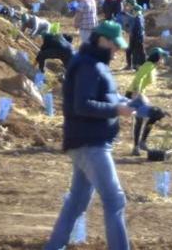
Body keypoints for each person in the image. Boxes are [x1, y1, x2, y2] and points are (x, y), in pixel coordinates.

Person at [45, 21, 133, 250]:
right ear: (102, 40)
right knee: (114, 200)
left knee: (76, 203)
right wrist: (117, 110)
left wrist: (128, 103)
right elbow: (82, 105)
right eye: (115, 46)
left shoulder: (94, 64)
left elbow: (105, 97)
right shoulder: (88, 66)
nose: (116, 51)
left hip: (86, 141)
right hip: (90, 143)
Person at [127, 47, 169, 155]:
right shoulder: (148, 65)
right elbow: (139, 78)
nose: (164, 60)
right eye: (163, 57)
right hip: (134, 94)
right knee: (146, 117)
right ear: (159, 58)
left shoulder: (152, 66)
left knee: (152, 116)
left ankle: (141, 143)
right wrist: (138, 93)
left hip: (140, 94)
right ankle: (138, 145)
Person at [125, 5, 146, 71]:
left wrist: (134, 35)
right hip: (138, 36)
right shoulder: (139, 17)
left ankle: (135, 66)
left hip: (137, 37)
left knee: (136, 51)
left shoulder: (138, 18)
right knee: (136, 51)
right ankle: (131, 65)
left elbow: (138, 29)